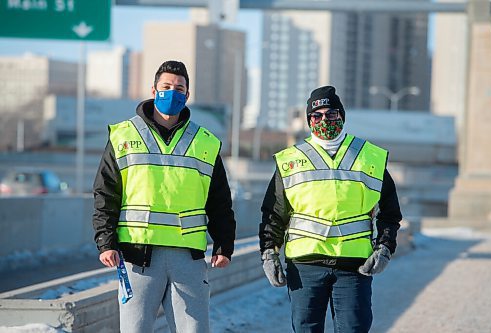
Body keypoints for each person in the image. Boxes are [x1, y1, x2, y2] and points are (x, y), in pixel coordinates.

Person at [92, 60, 236, 333]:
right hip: (137, 255)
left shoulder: (205, 142)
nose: (173, 92)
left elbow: (219, 201)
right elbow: (106, 192)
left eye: (179, 88)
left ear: (187, 95)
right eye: (166, 86)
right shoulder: (124, 136)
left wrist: (224, 244)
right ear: (154, 90)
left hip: (188, 259)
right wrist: (105, 240)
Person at [259, 86, 402, 333]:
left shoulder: (370, 157)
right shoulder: (289, 161)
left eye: (332, 114)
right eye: (317, 115)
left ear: (342, 116)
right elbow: (274, 214)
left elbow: (389, 212)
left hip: (355, 266)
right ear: (309, 120)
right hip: (305, 266)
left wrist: (385, 247)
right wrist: (269, 253)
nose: (325, 120)